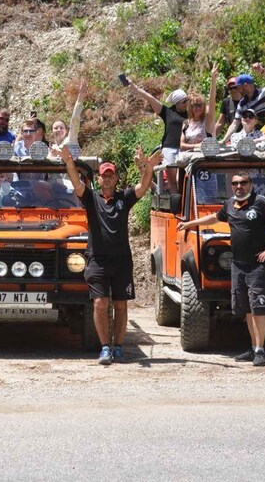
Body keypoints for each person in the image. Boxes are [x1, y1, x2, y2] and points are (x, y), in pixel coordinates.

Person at [59, 144, 161, 365]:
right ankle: (105, 347)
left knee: (121, 305)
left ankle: (118, 347)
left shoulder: (124, 198)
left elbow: (143, 187)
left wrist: (148, 167)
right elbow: (76, 183)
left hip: (122, 260)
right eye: (104, 176)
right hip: (97, 259)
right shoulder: (91, 198)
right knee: (99, 303)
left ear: (116, 179)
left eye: (110, 175)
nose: (107, 179)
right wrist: (69, 163)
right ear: (99, 179)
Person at [178, 171, 265, 366]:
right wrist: (191, 223)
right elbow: (214, 217)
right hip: (238, 266)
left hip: (258, 266)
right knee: (246, 308)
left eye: (243, 183)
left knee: (259, 309)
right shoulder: (230, 204)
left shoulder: (261, 202)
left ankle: (261, 350)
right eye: (235, 183)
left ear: (250, 185)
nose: (239, 187)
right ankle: (253, 348)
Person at [127, 79, 188, 166]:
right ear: (176, 103)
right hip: (169, 148)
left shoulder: (192, 113)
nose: (187, 103)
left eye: (187, 100)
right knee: (172, 178)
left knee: (183, 178)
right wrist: (134, 87)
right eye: (184, 101)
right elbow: (150, 99)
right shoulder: (167, 112)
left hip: (184, 149)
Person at [220, 70, 265, 144]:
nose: (237, 90)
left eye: (238, 87)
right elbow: (235, 123)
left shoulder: (264, 93)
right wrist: (224, 140)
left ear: (245, 85)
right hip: (253, 140)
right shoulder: (242, 104)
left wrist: (263, 71)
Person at [180, 64, 217, 152]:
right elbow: (181, 144)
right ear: (190, 107)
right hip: (190, 157)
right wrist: (197, 146)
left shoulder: (208, 120)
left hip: (205, 157)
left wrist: (213, 80)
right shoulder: (186, 124)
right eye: (194, 105)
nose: (198, 108)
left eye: (200, 105)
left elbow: (212, 101)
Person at [51, 78, 87, 146]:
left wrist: (80, 97)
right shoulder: (49, 150)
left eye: (61, 128)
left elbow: (75, 118)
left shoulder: (70, 140)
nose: (58, 130)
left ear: (66, 131)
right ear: (52, 131)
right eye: (56, 128)